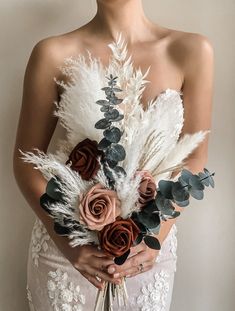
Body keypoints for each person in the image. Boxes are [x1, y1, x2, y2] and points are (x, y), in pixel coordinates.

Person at [13, 0, 214, 310]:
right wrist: (67, 245)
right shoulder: (52, 53)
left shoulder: (191, 50)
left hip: (147, 250)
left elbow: (195, 158)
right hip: (68, 251)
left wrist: (156, 236)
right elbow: (27, 162)